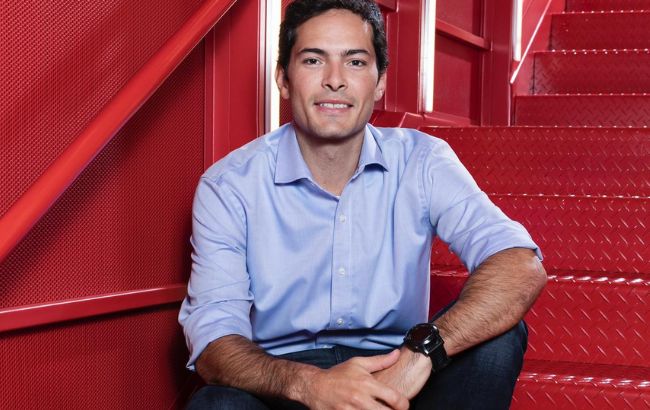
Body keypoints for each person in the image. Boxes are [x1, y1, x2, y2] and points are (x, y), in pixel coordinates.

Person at [179, 0, 547, 408]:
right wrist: (310, 385)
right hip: (286, 380)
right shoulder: (229, 185)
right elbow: (214, 341)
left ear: (380, 82)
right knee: (217, 404)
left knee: (498, 337)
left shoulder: (423, 159)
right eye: (313, 60)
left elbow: (519, 264)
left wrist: (421, 355)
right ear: (283, 79)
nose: (335, 80)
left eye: (355, 62)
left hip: (399, 370)